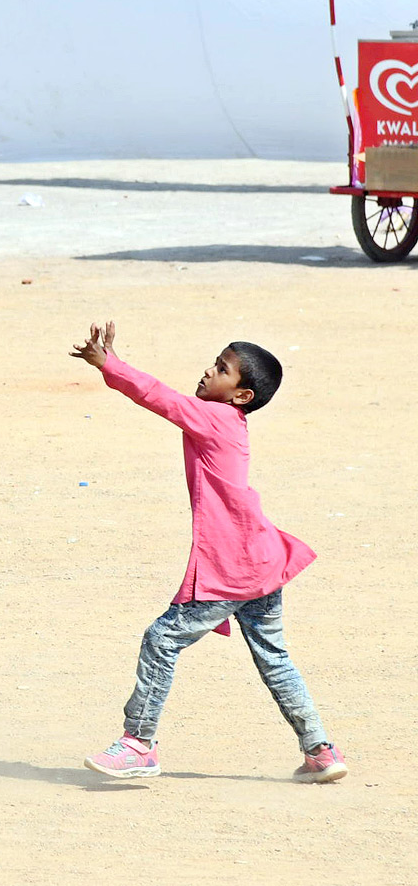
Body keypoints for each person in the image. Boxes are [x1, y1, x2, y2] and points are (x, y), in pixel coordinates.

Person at [71, 321, 347, 783]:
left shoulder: (215, 417)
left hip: (231, 566)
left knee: (162, 640)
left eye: (222, 369)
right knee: (274, 658)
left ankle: (138, 744)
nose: (208, 371)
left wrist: (110, 365)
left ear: (241, 396)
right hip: (262, 562)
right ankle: (320, 751)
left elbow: (160, 398)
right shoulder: (228, 419)